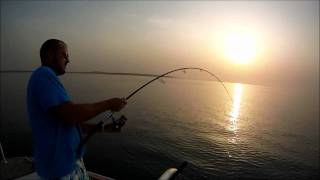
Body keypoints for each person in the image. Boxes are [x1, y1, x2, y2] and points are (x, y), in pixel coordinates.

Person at [27, 39, 127, 179]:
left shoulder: (47, 79)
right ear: (50, 54)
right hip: (59, 171)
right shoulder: (43, 75)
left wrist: (105, 128)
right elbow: (71, 115)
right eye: (64, 55)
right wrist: (109, 103)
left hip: (69, 165)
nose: (68, 60)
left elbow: (71, 123)